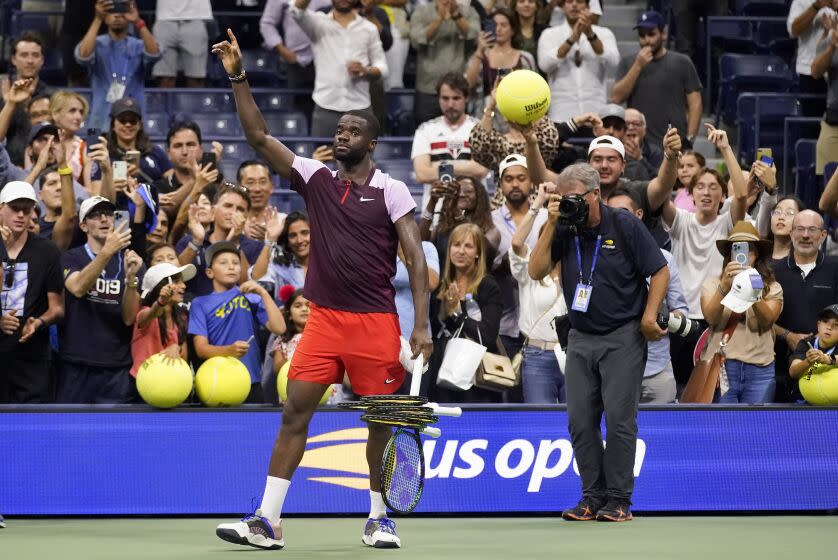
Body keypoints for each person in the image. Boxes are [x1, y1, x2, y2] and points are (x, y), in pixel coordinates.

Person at [212, 29, 432, 549]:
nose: (342, 136)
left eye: (353, 131)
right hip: (325, 321)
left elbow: (416, 258)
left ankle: (379, 518)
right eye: (338, 130)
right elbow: (260, 139)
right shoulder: (315, 177)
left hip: (377, 323)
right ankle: (267, 520)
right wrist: (239, 76)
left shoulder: (392, 189)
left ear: (372, 142)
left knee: (379, 422)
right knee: (295, 412)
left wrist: (421, 323)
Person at [528, 163, 669, 522]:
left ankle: (619, 500)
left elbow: (660, 269)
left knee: (620, 420)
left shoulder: (623, 224)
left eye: (576, 198)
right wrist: (551, 222)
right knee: (578, 420)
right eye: (565, 198)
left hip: (622, 334)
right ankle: (591, 497)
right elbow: (536, 270)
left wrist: (649, 316)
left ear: (595, 194)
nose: (571, 204)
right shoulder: (565, 227)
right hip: (579, 335)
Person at [661, 124, 748, 391]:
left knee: (709, 390)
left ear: (723, 196)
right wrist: (671, 156)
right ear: (690, 192)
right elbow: (661, 197)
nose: (707, 192)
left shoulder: (726, 222)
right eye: (700, 186)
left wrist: (724, 148)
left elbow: (743, 194)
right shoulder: (681, 221)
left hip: (716, 318)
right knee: (679, 388)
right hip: (681, 317)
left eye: (714, 187)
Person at [524, 126, 683, 250]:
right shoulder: (574, 188)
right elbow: (540, 176)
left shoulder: (636, 191)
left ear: (623, 165)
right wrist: (531, 143)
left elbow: (663, 184)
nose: (604, 165)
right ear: (588, 164)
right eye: (598, 159)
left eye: (611, 159)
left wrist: (669, 157)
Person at [58, 196, 144, 403]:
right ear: (84, 225)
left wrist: (131, 279)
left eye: (108, 214)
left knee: (115, 433)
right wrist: (107, 252)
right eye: (96, 215)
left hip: (117, 366)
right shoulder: (71, 257)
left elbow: (129, 318)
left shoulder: (131, 260)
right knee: (71, 431)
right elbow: (78, 288)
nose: (104, 219)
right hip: (77, 363)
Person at [607, 187, 688, 404]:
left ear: (638, 215)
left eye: (623, 212)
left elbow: (680, 308)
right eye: (610, 213)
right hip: (614, 371)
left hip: (658, 367)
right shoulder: (599, 259)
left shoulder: (665, 259)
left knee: (665, 436)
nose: (616, 219)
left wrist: (669, 320)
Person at [189, 241, 286, 402]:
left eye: (235, 263)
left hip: (251, 381)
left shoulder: (252, 298)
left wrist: (263, 292)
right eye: (223, 263)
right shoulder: (200, 303)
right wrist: (229, 350)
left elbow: (280, 328)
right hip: (216, 383)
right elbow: (201, 349)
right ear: (209, 272)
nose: (231, 266)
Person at [700, 222, 783, 404]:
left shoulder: (772, 287)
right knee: (722, 427)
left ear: (757, 253)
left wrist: (753, 288)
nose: (743, 255)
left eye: (749, 249)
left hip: (760, 369)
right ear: (730, 253)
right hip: (722, 366)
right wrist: (725, 286)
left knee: (757, 429)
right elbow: (711, 318)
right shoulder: (713, 284)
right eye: (737, 249)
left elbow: (767, 320)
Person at [0, 181, 63, 404]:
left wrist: (40, 322)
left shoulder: (47, 251)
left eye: (26, 210)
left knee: (33, 428)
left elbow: (57, 308)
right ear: (1, 208)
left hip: (32, 358)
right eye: (14, 208)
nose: (20, 215)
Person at [429, 222, 504, 403]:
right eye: (456, 245)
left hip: (476, 375)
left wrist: (456, 313)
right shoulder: (439, 285)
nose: (461, 251)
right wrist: (443, 313)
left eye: (468, 246)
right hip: (442, 369)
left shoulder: (488, 286)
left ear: (478, 252)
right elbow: (432, 330)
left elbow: (487, 335)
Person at [290, 0, 388, 137]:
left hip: (360, 107)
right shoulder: (318, 22)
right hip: (325, 107)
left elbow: (382, 67)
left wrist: (366, 71)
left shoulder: (369, 28)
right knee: (320, 157)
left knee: (362, 158)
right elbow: (296, 11)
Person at [509, 182, 567, 403]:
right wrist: (538, 202)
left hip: (574, 355)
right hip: (537, 356)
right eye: (548, 235)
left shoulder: (579, 267)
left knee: (576, 421)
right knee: (540, 420)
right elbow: (516, 242)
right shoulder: (530, 269)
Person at [772, 210, 838, 402]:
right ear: (791, 234)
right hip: (779, 368)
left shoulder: (835, 269)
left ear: (823, 235)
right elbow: (760, 317)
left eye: (812, 229)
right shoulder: (773, 270)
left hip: (826, 370)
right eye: (800, 229)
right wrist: (787, 335)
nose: (805, 235)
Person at [611, 11, 702, 147]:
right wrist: (638, 65)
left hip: (672, 143)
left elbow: (695, 104)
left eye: (651, 34)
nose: (646, 40)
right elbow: (616, 97)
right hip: (638, 144)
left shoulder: (682, 62)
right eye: (642, 35)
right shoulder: (628, 62)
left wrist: (689, 139)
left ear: (663, 33)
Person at [490, 154, 547, 366]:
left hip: (539, 325)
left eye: (521, 178)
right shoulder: (489, 221)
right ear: (500, 184)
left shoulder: (546, 219)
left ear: (532, 182)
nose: (515, 183)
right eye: (508, 178)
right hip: (503, 325)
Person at [75, 0, 161, 131]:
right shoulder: (96, 43)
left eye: (122, 10)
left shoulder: (137, 45)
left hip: (133, 122)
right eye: (112, 11)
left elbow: (155, 53)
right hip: (100, 121)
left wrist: (138, 21)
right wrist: (98, 18)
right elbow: (83, 56)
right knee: (94, 150)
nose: (117, 15)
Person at [411, 72, 488, 207]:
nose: (450, 104)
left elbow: (480, 170)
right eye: (445, 98)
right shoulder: (425, 130)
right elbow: (422, 174)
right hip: (436, 213)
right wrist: (465, 167)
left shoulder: (480, 128)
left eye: (456, 98)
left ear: (467, 98)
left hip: (474, 212)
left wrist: (439, 167)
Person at [176, 183, 264, 297]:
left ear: (246, 217)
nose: (233, 212)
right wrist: (197, 241)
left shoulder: (255, 247)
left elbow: (249, 288)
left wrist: (234, 243)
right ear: (212, 212)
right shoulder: (189, 242)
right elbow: (175, 276)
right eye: (228, 206)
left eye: (240, 209)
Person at [537, 0, 619, 123]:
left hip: (596, 114)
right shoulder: (549, 34)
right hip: (561, 115)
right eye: (569, 1)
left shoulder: (604, 33)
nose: (574, 5)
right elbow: (544, 65)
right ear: (563, 6)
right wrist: (571, 39)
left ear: (587, 6)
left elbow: (613, 60)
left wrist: (590, 34)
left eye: (579, 1)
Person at [409, 0, 481, 124]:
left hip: (458, 88)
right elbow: (416, 40)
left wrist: (456, 16)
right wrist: (439, 19)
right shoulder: (421, 12)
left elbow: (474, 36)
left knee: (460, 133)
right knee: (425, 131)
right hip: (428, 88)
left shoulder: (468, 12)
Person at [130, 261, 194, 376]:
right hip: (142, 386)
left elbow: (184, 357)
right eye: (176, 281)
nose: (184, 286)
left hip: (169, 386)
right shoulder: (143, 313)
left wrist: (177, 348)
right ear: (160, 286)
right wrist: (161, 302)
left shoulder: (181, 317)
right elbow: (153, 312)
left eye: (182, 281)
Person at [420, 174, 501, 264]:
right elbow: (421, 245)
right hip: (443, 277)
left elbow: (485, 253)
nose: (461, 194)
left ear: (479, 196)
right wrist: (432, 202)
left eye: (468, 191)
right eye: (457, 191)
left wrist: (456, 211)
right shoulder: (443, 228)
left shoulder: (491, 230)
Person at [0, 32, 53, 167]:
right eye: (24, 55)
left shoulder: (51, 97)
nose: (30, 61)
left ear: (42, 60)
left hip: (43, 168)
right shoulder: (2, 92)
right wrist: (9, 104)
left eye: (35, 55)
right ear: (13, 59)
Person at [260, 0, 333, 91]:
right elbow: (267, 24)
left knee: (329, 101)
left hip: (329, 58)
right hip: (297, 60)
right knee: (297, 101)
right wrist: (283, 51)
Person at [465, 8, 536, 95]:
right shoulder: (480, 57)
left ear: (513, 30)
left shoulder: (525, 58)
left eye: (503, 25)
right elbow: (468, 84)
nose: (498, 29)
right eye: (494, 25)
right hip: (485, 107)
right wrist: (479, 51)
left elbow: (533, 89)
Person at [105, 97, 172, 183]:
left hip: (154, 196)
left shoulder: (156, 152)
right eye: (122, 120)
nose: (128, 125)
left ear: (140, 125)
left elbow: (172, 185)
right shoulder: (105, 156)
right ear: (113, 125)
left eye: (132, 121)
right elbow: (96, 193)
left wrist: (141, 175)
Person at [788, 0, 835, 116]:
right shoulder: (801, 2)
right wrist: (815, 6)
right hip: (810, 73)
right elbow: (794, 30)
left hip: (835, 72)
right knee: (811, 127)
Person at [152, 0, 213, 88]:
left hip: (196, 17)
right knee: (164, 77)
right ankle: (163, 102)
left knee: (196, 77)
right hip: (164, 17)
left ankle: (195, 102)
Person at [251, 211, 310, 298]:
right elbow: (257, 277)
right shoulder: (281, 267)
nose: (299, 240)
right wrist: (271, 239)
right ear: (287, 241)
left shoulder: (328, 264)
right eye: (293, 235)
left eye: (305, 233)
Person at [789, 304, 838, 381]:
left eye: (836, 324)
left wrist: (826, 358)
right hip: (805, 391)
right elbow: (793, 373)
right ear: (818, 325)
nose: (829, 327)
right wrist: (808, 361)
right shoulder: (806, 343)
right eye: (825, 321)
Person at [238, 160, 274, 240]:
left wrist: (272, 239)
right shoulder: (229, 223)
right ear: (239, 187)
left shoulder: (284, 223)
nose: (257, 189)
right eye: (250, 182)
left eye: (263, 182)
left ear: (272, 186)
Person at [624, 108, 663, 174]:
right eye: (626, 124)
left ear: (644, 130)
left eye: (636, 124)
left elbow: (660, 179)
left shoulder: (655, 152)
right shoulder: (613, 148)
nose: (630, 128)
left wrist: (640, 158)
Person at [769, 196, 806, 260]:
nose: (781, 217)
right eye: (777, 212)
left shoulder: (804, 261)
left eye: (789, 213)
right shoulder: (757, 255)